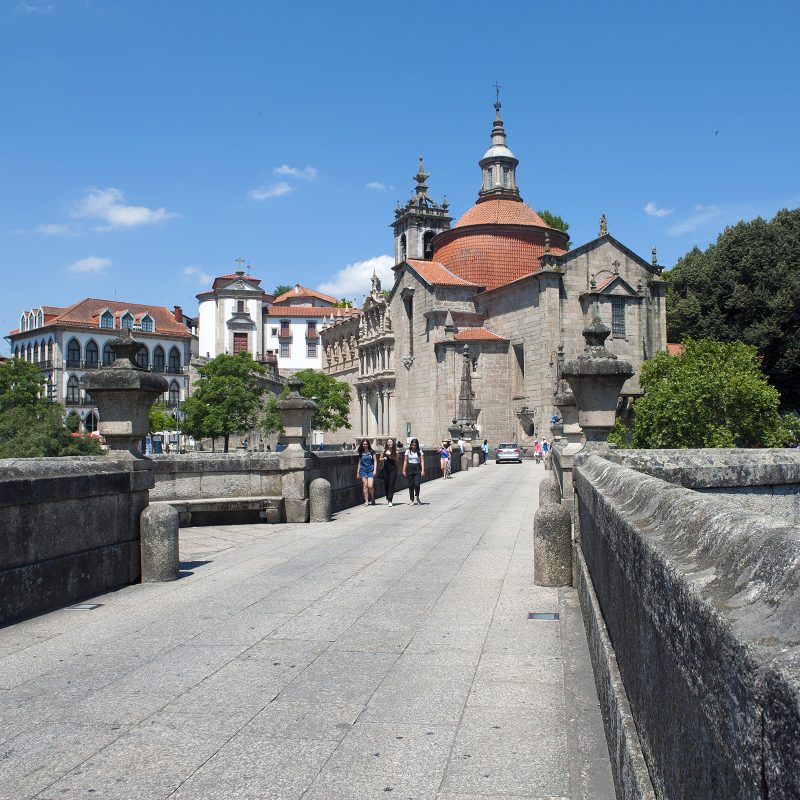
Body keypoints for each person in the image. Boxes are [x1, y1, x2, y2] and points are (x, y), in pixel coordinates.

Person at [403, 438, 425, 505]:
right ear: (411, 445)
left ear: (417, 445)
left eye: (415, 445)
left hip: (417, 467)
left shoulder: (420, 451)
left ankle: (417, 496)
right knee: (410, 485)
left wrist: (423, 470)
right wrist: (404, 469)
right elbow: (405, 461)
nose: (413, 446)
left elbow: (422, 461)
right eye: (412, 445)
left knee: (417, 484)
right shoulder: (408, 451)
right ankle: (412, 500)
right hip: (410, 468)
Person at [356, 438, 377, 506]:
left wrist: (375, 470)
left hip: (370, 470)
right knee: (365, 485)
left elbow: (375, 461)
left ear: (368, 444)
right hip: (363, 470)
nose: (365, 445)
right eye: (364, 444)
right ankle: (366, 501)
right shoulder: (361, 453)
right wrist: (358, 472)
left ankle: (373, 498)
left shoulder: (372, 452)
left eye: (366, 444)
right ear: (362, 445)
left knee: (370, 486)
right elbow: (359, 463)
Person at [379, 437, 399, 506]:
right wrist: (383, 458)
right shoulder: (384, 450)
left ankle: (390, 500)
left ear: (393, 443)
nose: (389, 443)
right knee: (386, 484)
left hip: (393, 469)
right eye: (388, 442)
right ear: (387, 443)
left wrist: (392, 456)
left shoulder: (395, 451)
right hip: (386, 469)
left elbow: (397, 459)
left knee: (391, 484)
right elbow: (380, 459)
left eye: (390, 442)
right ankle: (388, 497)